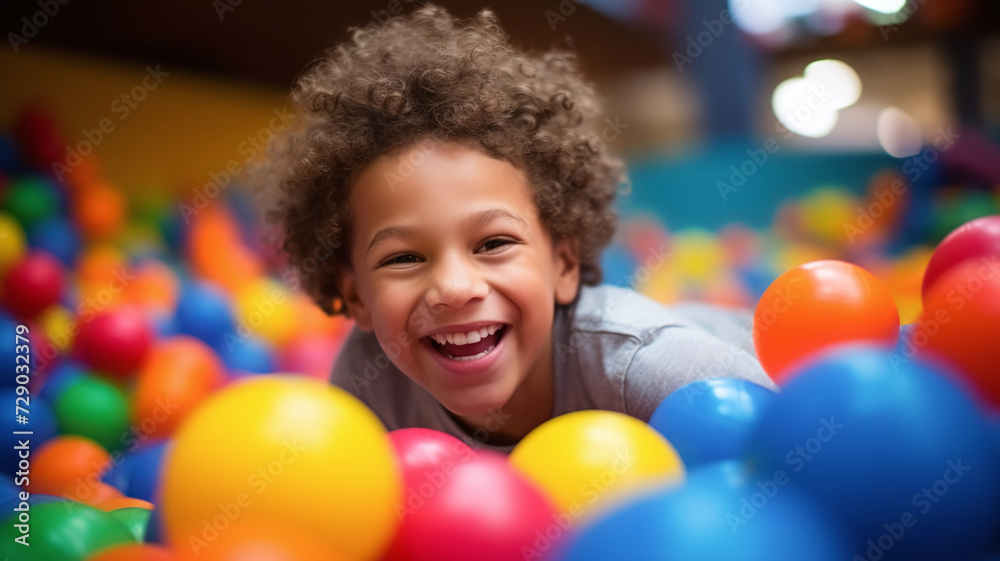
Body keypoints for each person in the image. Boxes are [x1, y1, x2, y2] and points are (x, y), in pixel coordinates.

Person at [253, 4, 776, 454]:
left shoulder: (645, 365)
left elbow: (792, 456)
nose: (456, 289)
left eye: (494, 243)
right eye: (404, 258)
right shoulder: (370, 387)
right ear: (357, 298)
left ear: (564, 265)